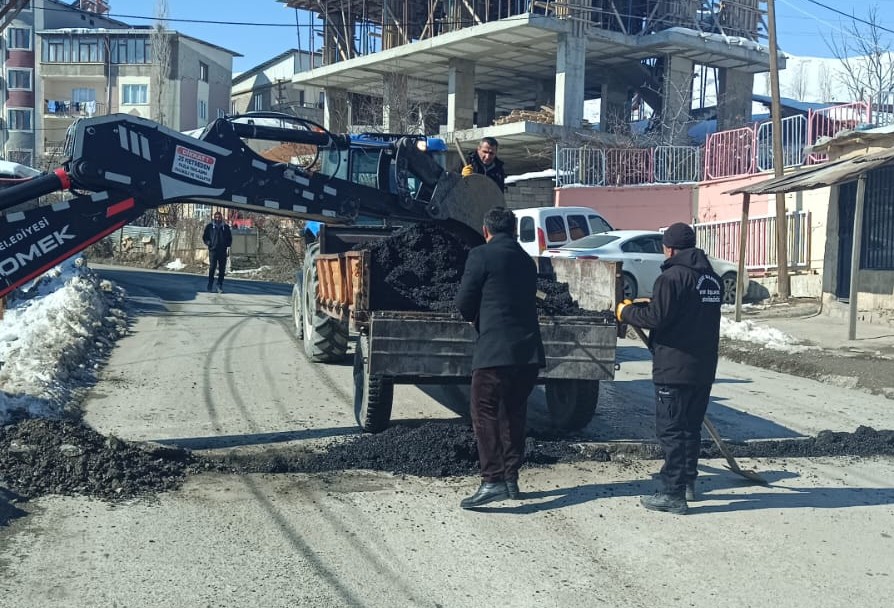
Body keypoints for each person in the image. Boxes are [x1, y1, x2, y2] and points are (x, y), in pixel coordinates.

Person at [616, 222, 722, 515]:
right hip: (703, 366)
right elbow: (686, 312)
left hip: (674, 366)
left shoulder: (672, 278)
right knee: (690, 428)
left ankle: (673, 493)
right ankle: (687, 482)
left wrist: (626, 311)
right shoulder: (711, 279)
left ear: (669, 248)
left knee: (672, 430)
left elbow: (655, 317)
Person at [455, 206, 545, 509]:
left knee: (484, 412)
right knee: (514, 414)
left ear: (485, 230)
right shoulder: (525, 260)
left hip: (494, 352)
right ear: (515, 231)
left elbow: (465, 302)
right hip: (528, 352)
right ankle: (510, 479)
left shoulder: (481, 255)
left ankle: (492, 479)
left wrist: (473, 316)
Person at [202, 211, 232, 293]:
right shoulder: (210, 227)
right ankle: (210, 284)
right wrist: (209, 243)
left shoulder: (225, 227)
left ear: (221, 218)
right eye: (216, 217)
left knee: (222, 269)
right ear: (214, 218)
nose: (217, 219)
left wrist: (227, 245)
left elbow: (229, 238)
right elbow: (205, 237)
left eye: (219, 217)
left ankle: (219, 285)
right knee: (212, 268)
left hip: (222, 251)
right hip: (213, 250)